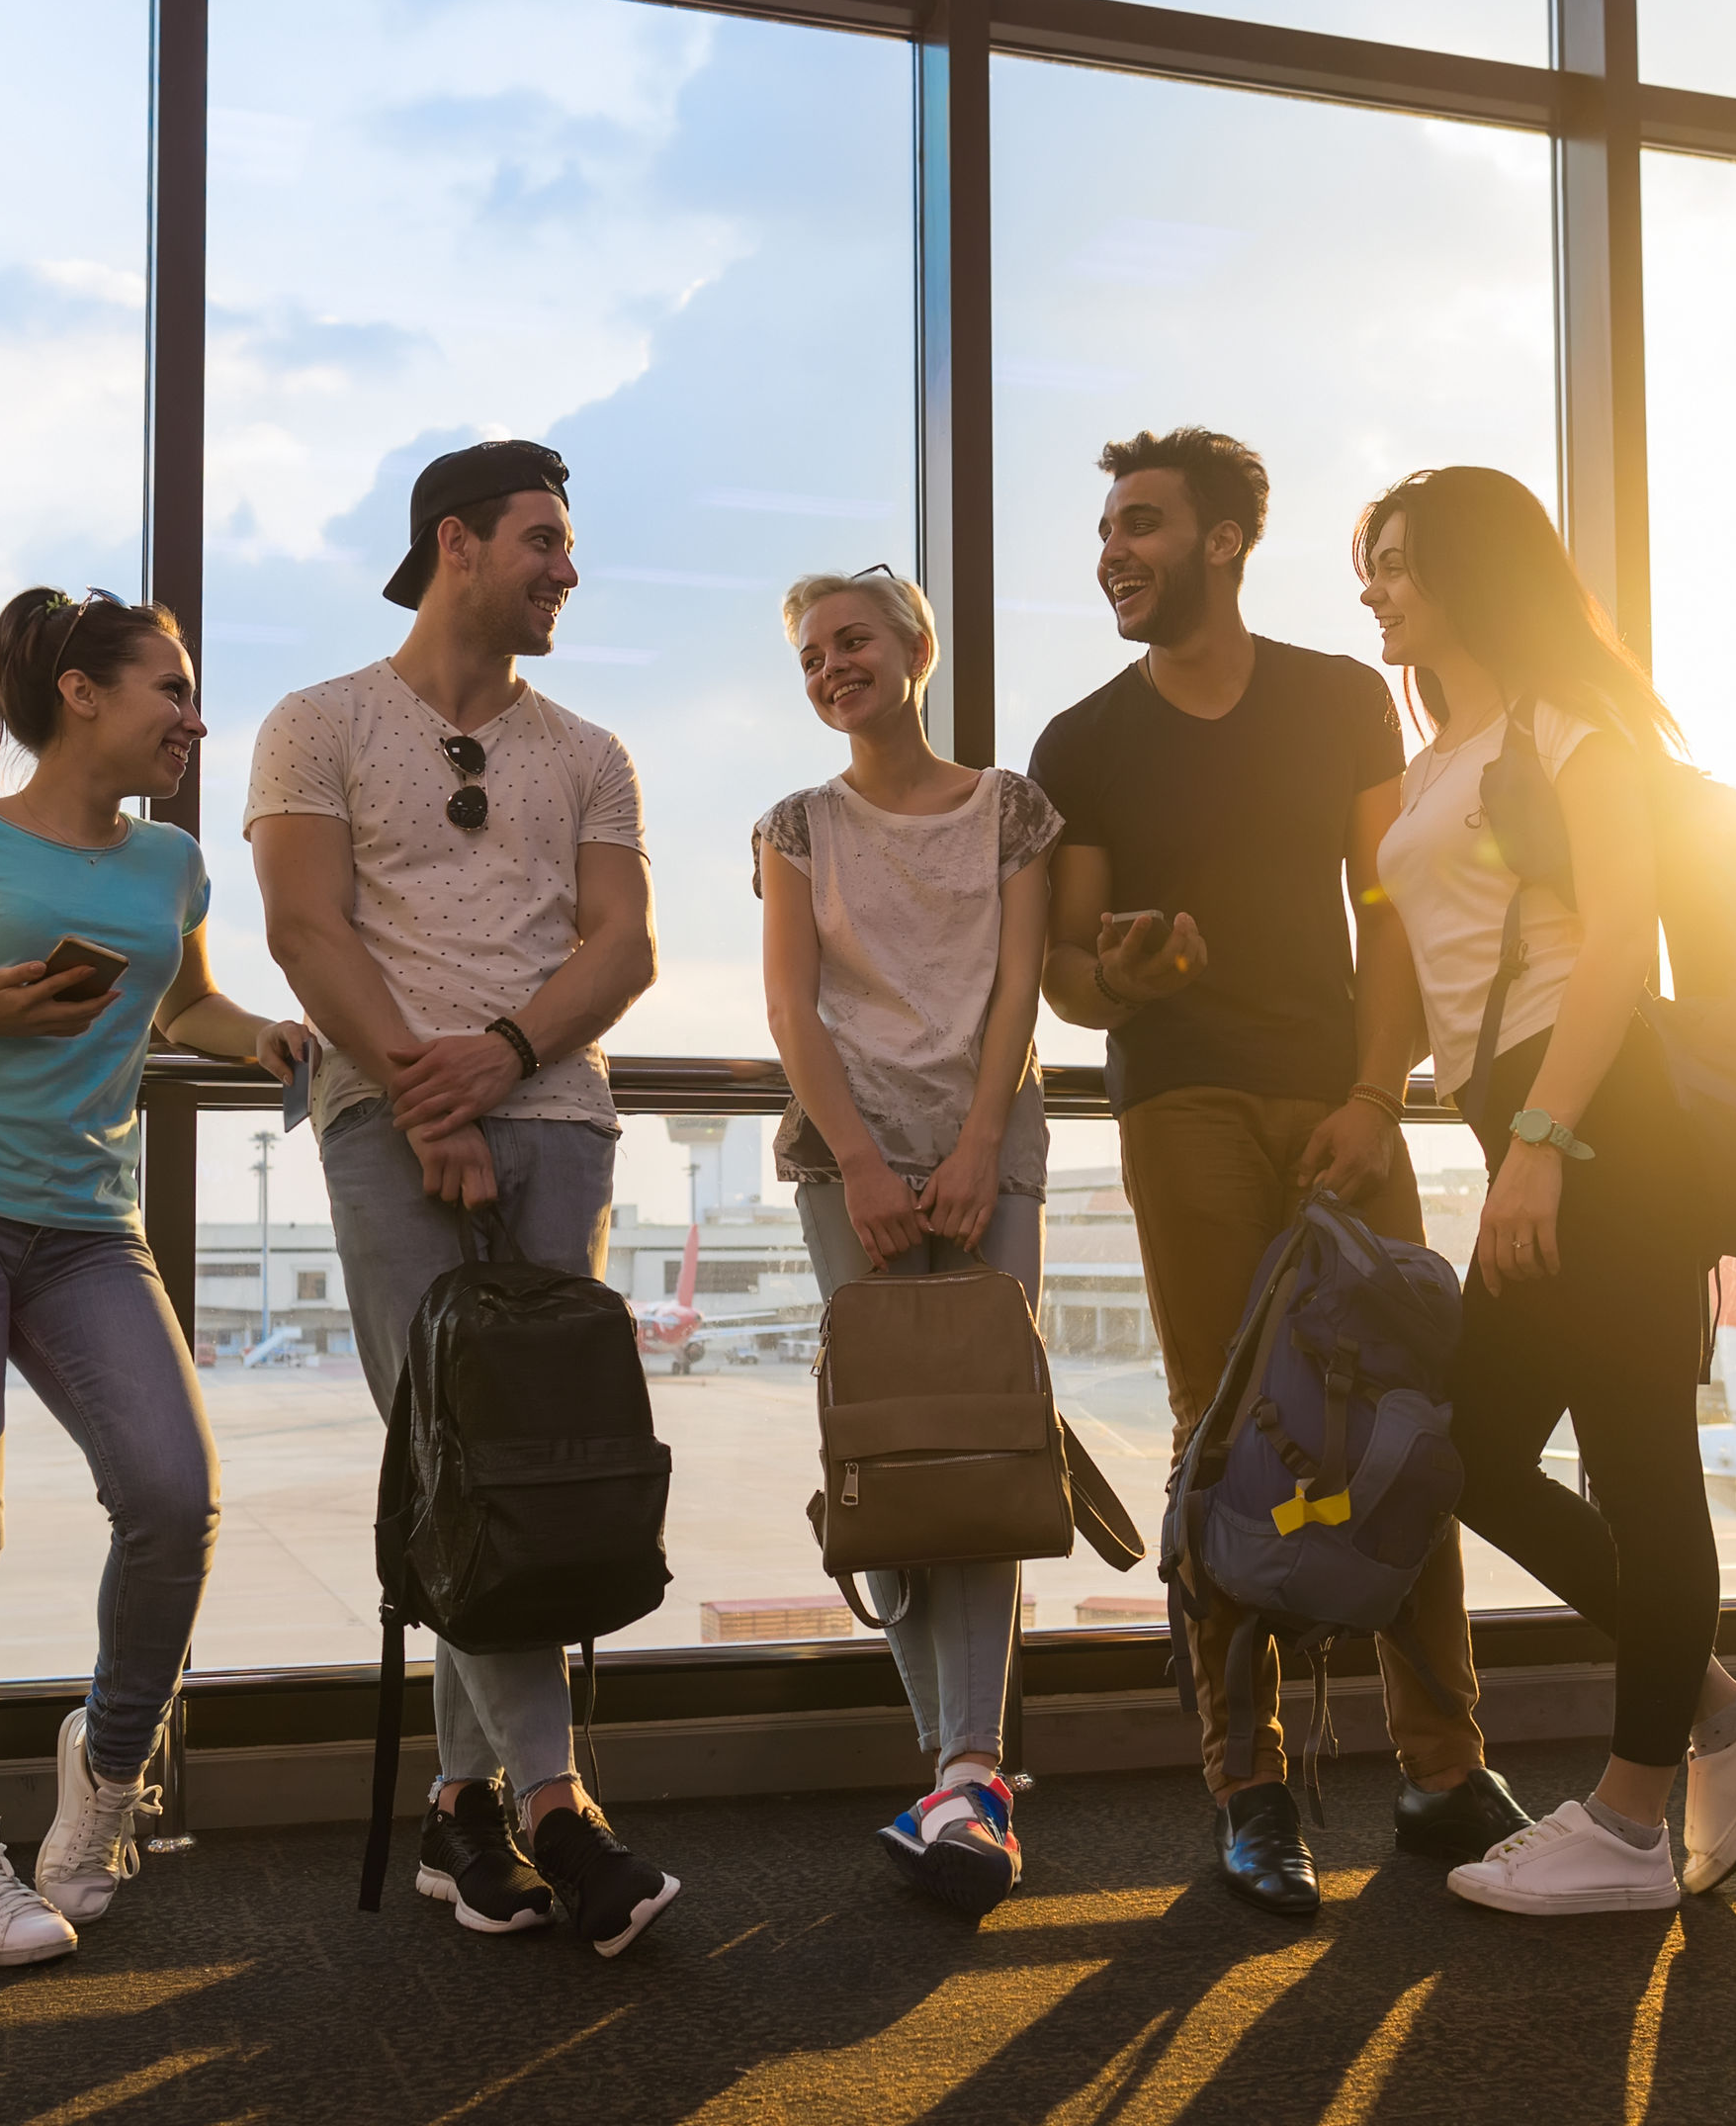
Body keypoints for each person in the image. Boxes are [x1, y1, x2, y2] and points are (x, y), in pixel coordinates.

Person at [1026, 427, 1525, 1919]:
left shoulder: (1336, 699)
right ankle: (1250, 1791)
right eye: (1108, 528)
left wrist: (1381, 1093)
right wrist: (1117, 970)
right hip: (1178, 1101)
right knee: (1224, 1431)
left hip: (1340, 1101)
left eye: (1143, 524)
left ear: (1227, 542)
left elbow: (1388, 913)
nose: (1114, 550)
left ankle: (1442, 1770)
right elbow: (1067, 970)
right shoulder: (1082, 741)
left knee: (1401, 1418)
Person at [1348, 466, 1736, 1915]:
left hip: (1603, 1128)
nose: (1375, 587)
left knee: (1633, 1467)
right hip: (1533, 1137)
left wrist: (1548, 1140)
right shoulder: (1439, 761)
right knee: (1479, 1457)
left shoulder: (1577, 726)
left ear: (1477, 574)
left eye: (1401, 564)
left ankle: (1633, 1825)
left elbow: (1622, 940)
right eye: (1365, 564)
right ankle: (1726, 1721)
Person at [0, 587, 311, 1966]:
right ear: (80, 693)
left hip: (89, 1224)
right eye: (170, 689)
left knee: (173, 1497)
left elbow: (182, 1001)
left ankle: (104, 1775)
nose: (193, 717)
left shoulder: (170, 866)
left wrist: (258, 1031)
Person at [244, 438, 683, 1958]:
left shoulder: (593, 751)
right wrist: (418, 1089)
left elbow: (622, 952)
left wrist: (492, 1065)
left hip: (555, 1115)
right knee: (455, 1450)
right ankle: (560, 1807)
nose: (568, 568)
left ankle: (458, 1806)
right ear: (457, 543)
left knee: (524, 1467)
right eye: (544, 539)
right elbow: (304, 925)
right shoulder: (316, 724)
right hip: (385, 1119)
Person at [753, 566, 1061, 1917]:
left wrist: (981, 1144)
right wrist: (867, 1161)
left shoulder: (1013, 810)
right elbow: (791, 1008)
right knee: (890, 1461)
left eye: (855, 641)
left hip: (990, 1154)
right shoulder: (796, 825)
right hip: (850, 1166)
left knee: (985, 1458)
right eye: (814, 653)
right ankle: (959, 1772)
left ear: (917, 649)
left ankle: (970, 1771)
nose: (834, 666)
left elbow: (1017, 991)